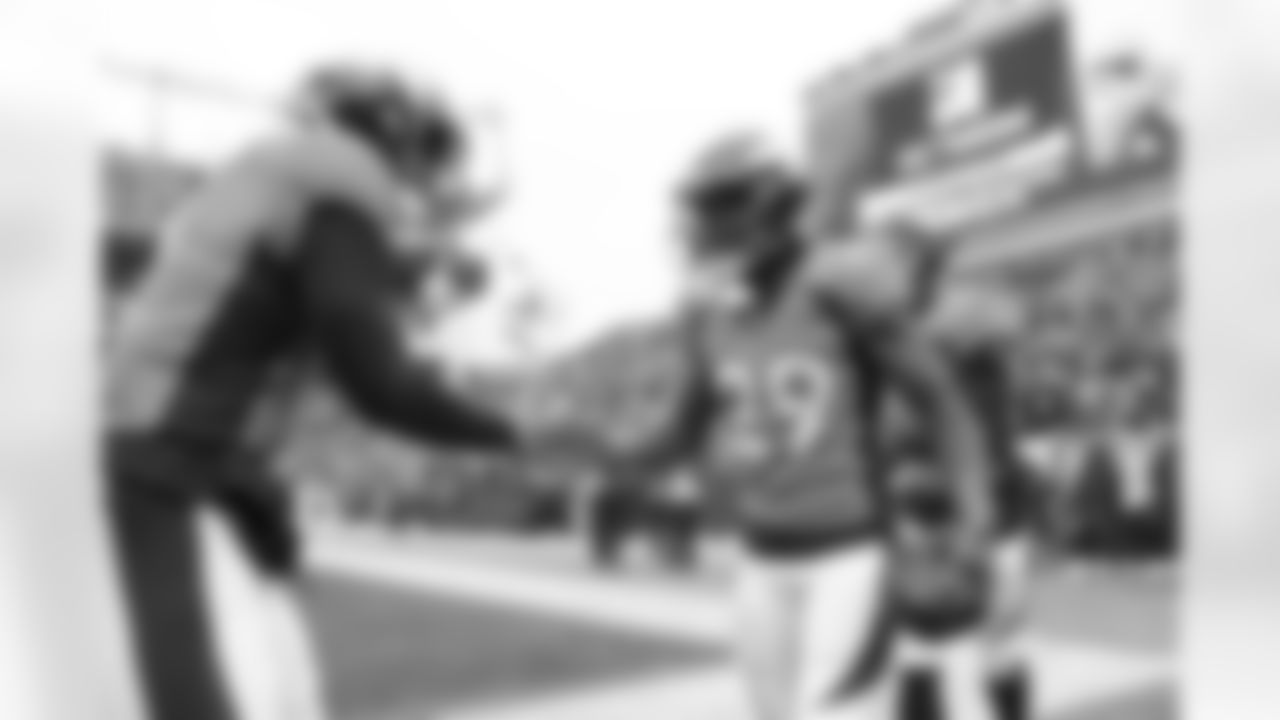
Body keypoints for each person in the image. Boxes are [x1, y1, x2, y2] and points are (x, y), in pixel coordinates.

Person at [105, 62, 591, 720]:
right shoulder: (338, 183)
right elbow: (380, 383)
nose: (424, 186)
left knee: (277, 687)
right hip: (167, 467)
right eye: (428, 160)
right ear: (397, 140)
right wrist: (514, 432)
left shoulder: (268, 178)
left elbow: (237, 342)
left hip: (174, 458)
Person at [603, 134, 991, 720]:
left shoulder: (837, 283)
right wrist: (609, 455)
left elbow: (941, 400)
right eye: (701, 207)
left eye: (721, 203)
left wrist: (975, 517)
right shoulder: (710, 311)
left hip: (848, 555)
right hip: (760, 560)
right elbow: (684, 429)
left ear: (772, 203)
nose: (707, 223)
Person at [884, 262, 1035, 720]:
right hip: (959, 518)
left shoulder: (983, 368)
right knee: (940, 640)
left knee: (939, 641)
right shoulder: (960, 367)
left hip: (962, 518)